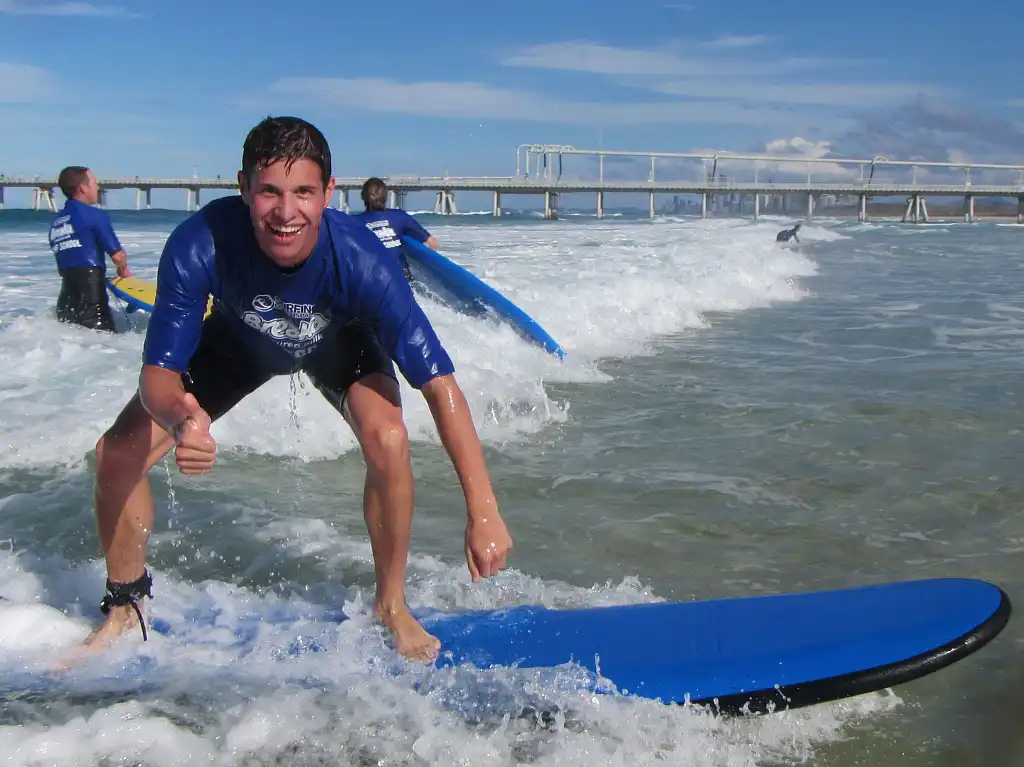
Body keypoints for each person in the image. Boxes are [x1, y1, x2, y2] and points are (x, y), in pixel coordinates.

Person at [79, 116, 513, 664]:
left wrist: (483, 508)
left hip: (340, 340)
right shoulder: (198, 244)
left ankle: (392, 604)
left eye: (304, 191)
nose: (286, 213)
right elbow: (156, 377)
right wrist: (181, 418)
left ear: (329, 193)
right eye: (270, 192)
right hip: (238, 343)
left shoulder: (364, 261)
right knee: (115, 454)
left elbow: (439, 384)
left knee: (390, 439)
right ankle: (126, 605)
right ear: (244, 188)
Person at [48, 166, 132, 332]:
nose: (98, 187)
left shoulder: (57, 222)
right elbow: (117, 256)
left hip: (66, 298)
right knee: (104, 343)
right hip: (91, 295)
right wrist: (123, 269)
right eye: (94, 182)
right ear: (82, 188)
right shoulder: (94, 215)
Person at [352, 177, 438, 281]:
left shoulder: (352, 222)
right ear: (385, 197)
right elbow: (432, 243)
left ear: (363, 197)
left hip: (371, 283)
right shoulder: (399, 216)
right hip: (402, 281)